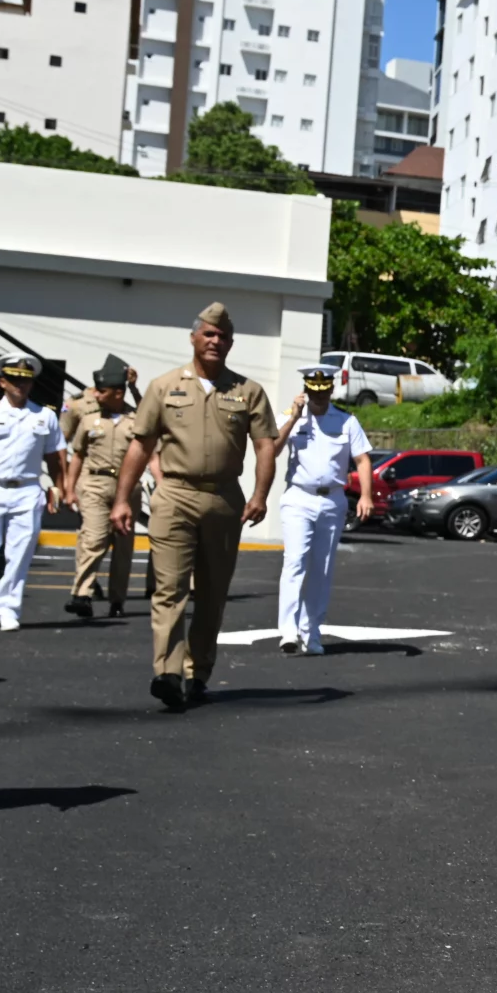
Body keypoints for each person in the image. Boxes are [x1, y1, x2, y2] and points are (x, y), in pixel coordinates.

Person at [111, 303, 279, 712]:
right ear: (193, 338)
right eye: (208, 334)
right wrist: (122, 499)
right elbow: (141, 444)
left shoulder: (248, 391)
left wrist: (260, 495)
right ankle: (167, 673)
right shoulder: (165, 386)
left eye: (222, 336)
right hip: (174, 495)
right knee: (169, 589)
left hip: (223, 499)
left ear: (231, 343)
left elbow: (264, 446)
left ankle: (196, 671)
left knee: (212, 593)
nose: (215, 341)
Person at [0, 352, 63, 631]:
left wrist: (58, 487)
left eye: (26, 380)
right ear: (3, 382)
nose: (21, 385)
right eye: (15, 380)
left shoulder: (45, 416)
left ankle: (8, 608)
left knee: (19, 554)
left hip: (28, 490)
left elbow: (55, 457)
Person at [276, 364, 374, 654]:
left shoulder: (346, 421)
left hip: (332, 499)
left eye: (324, 393)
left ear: (331, 390)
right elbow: (273, 447)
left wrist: (366, 495)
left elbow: (363, 460)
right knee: (295, 562)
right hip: (298, 498)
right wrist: (293, 417)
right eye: (313, 393)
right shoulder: (292, 418)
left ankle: (312, 632)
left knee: (322, 567)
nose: (318, 398)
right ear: (306, 391)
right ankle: (288, 632)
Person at [62, 355, 142, 618]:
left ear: (118, 393)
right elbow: (78, 456)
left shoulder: (136, 420)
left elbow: (152, 431)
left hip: (127, 488)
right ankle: (82, 593)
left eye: (102, 391)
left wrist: (134, 387)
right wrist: (69, 488)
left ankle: (117, 600)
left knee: (123, 548)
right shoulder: (89, 420)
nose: (94, 395)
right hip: (95, 484)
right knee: (93, 538)